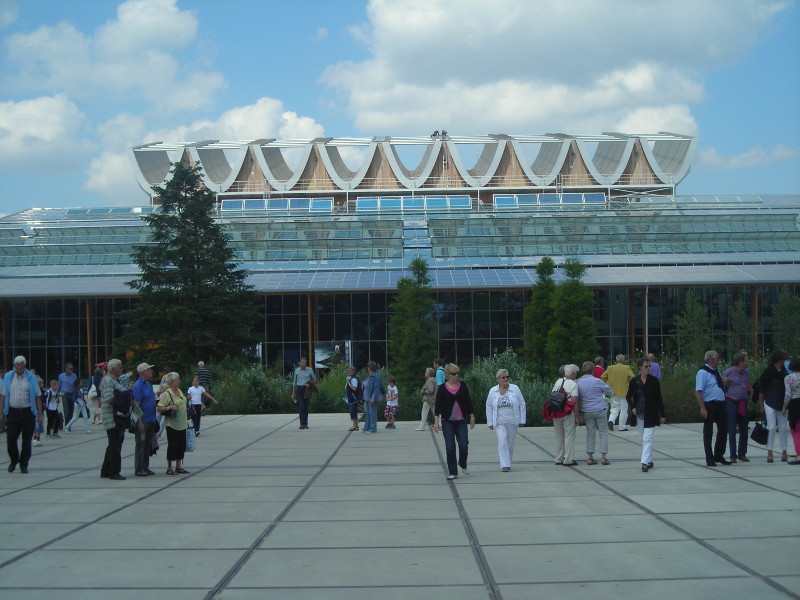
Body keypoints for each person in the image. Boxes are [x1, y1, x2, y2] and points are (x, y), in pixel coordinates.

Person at [0, 356, 43, 474]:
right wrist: (1, 412)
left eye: (22, 364)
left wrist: (39, 414)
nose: (20, 366)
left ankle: (24, 464)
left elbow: (37, 397)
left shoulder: (31, 378)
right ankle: (14, 460)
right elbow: (3, 396)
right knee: (11, 439)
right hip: (13, 412)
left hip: (27, 412)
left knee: (27, 440)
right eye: (17, 364)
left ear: (24, 366)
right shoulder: (8, 377)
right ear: (14, 366)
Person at [434, 363, 475, 480]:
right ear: (447, 375)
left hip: (461, 421)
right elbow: (438, 406)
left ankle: (463, 463)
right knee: (450, 447)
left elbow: (468, 402)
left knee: (464, 445)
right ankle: (453, 472)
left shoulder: (463, 386)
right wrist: (436, 422)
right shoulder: (442, 388)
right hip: (447, 422)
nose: (456, 376)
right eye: (453, 374)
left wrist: (472, 417)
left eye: (457, 373)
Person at [626, 357, 666, 472]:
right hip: (639, 413)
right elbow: (628, 396)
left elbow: (659, 398)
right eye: (646, 366)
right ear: (640, 367)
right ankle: (649, 460)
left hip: (651, 413)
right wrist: (632, 407)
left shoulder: (653, 380)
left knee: (647, 438)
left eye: (649, 366)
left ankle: (644, 462)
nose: (648, 368)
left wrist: (662, 414)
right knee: (643, 438)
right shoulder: (635, 381)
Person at [485, 368, 526, 471]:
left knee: (510, 444)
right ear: (498, 379)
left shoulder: (515, 389)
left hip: (513, 421)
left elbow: (522, 403)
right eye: (503, 377)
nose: (506, 379)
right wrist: (490, 422)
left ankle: (508, 461)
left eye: (507, 377)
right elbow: (489, 406)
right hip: (499, 422)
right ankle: (505, 465)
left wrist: (522, 420)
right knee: (502, 441)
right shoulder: (492, 391)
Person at [695, 350, 730, 467]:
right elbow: (698, 391)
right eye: (717, 358)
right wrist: (702, 408)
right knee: (708, 432)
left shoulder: (715, 371)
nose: (719, 360)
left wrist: (723, 382)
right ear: (712, 359)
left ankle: (719, 454)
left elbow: (716, 385)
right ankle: (709, 458)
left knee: (723, 430)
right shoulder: (703, 372)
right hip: (709, 404)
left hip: (720, 403)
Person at [577, 361, 613, 465]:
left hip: (587, 410)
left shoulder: (579, 382)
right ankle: (603, 457)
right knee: (603, 433)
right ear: (592, 370)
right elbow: (609, 391)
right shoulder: (597, 381)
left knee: (590, 433)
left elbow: (578, 396)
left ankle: (590, 456)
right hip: (600, 408)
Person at [545, 364, 580, 466]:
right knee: (569, 436)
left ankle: (558, 458)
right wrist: (577, 418)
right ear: (572, 373)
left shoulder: (558, 382)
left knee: (558, 436)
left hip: (556, 412)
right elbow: (574, 402)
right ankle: (568, 459)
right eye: (576, 373)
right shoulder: (573, 384)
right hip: (568, 412)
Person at [99, 359, 128, 480]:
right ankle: (114, 472)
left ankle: (106, 470)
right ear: (113, 369)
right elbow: (109, 398)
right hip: (112, 417)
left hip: (117, 417)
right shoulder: (108, 381)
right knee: (115, 445)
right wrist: (123, 399)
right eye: (120, 367)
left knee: (113, 444)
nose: (122, 369)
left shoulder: (116, 380)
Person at [157, 372, 190, 475]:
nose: (180, 381)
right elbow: (159, 408)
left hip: (182, 423)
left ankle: (179, 466)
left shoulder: (179, 391)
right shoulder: (167, 393)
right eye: (178, 379)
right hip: (172, 424)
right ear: (173, 382)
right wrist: (169, 407)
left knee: (181, 445)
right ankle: (169, 467)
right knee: (173, 445)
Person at [758, 350, 789, 463]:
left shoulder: (783, 370)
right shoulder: (769, 371)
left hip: (782, 402)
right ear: (778, 360)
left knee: (783, 428)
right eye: (782, 360)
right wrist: (761, 404)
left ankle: (784, 450)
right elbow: (762, 389)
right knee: (771, 428)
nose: (783, 362)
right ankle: (769, 451)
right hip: (770, 401)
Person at [722, 352, 751, 463]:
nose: (747, 362)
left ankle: (742, 453)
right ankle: (733, 455)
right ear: (740, 362)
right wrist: (725, 383)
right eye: (746, 360)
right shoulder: (729, 372)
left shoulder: (746, 373)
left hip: (743, 402)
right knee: (732, 429)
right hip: (731, 402)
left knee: (744, 429)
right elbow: (722, 386)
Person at [132, 363, 157, 477]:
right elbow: (136, 405)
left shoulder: (148, 384)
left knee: (147, 445)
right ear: (143, 372)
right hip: (143, 420)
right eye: (149, 369)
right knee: (141, 445)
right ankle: (139, 468)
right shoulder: (138, 385)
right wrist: (139, 421)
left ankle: (145, 467)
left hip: (151, 419)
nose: (151, 371)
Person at [602, 355, 634, 431]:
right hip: (624, 392)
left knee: (614, 408)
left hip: (612, 391)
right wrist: (629, 383)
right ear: (623, 360)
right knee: (624, 409)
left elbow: (603, 377)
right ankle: (622, 427)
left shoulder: (610, 368)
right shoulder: (626, 368)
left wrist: (607, 384)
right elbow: (632, 377)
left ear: (616, 360)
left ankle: (611, 421)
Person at [291, 357, 316, 430]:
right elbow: (294, 383)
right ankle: (302, 423)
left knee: (305, 407)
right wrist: (293, 393)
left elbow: (314, 379)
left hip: (307, 389)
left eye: (305, 362)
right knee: (301, 406)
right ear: (299, 363)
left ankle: (305, 424)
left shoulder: (310, 370)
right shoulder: (296, 371)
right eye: (302, 362)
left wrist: (309, 384)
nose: (303, 364)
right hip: (299, 388)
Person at [783, 358, 800, 465]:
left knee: (796, 431)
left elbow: (788, 394)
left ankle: (799, 455)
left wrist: (784, 407)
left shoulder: (788, 378)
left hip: (795, 405)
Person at [362, 361, 383, 434]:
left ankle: (373, 428)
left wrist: (373, 397)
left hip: (371, 398)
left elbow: (376, 387)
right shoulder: (369, 375)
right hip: (367, 397)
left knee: (372, 413)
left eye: (368, 367)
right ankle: (366, 427)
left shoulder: (376, 376)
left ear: (370, 368)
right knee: (367, 413)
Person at [345, 366, 360, 431]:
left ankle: (354, 425)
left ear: (353, 371)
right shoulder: (350, 378)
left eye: (350, 371)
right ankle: (356, 425)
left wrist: (348, 383)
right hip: (350, 398)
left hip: (353, 398)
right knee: (353, 411)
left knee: (353, 411)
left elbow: (354, 388)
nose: (348, 372)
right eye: (348, 370)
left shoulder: (353, 379)